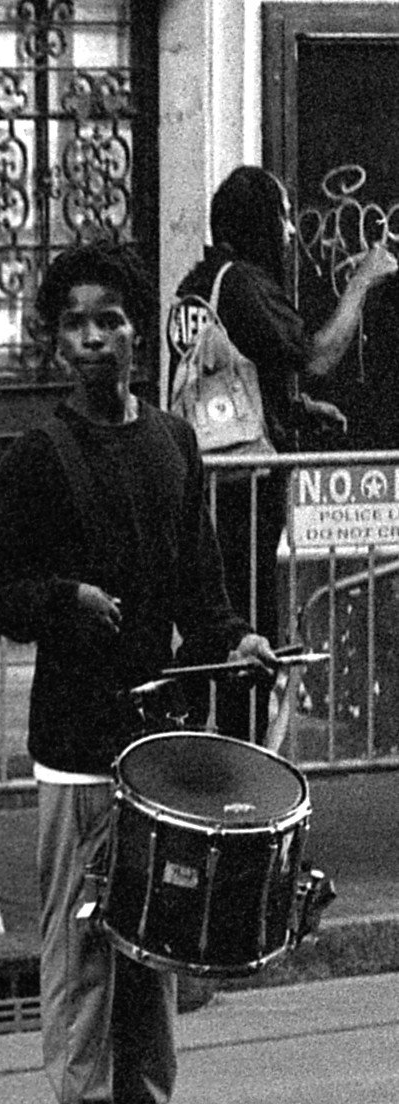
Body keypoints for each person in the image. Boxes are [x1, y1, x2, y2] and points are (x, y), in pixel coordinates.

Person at [0, 241, 279, 1104]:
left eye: (108, 320)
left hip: (159, 736)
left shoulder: (173, 441)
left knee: (157, 935)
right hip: (76, 737)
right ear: (53, 342)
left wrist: (236, 638)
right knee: (85, 939)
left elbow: (199, 575)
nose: (93, 339)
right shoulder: (37, 455)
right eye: (73, 324)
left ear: (140, 330)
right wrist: (63, 598)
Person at [170, 167, 395, 731]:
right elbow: (317, 356)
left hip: (213, 474)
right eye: (283, 216)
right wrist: (362, 280)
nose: (292, 232)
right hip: (242, 488)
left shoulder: (204, 279)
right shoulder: (242, 282)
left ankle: (194, 735)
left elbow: (231, 376)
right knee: (248, 625)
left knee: (215, 617)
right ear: (259, 222)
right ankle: (238, 755)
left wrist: (293, 410)